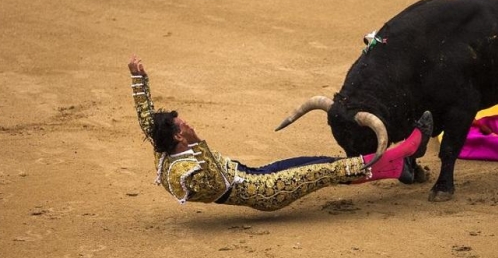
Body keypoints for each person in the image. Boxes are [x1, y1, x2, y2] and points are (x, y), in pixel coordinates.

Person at [128, 56, 433, 211]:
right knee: (330, 170)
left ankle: (398, 169)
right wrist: (198, 143)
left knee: (328, 165)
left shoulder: (164, 146)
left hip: (255, 174)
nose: (188, 125)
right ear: (179, 137)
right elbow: (217, 182)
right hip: (266, 191)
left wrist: (138, 79)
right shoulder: (181, 173)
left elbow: (146, 119)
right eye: (184, 126)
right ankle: (407, 149)